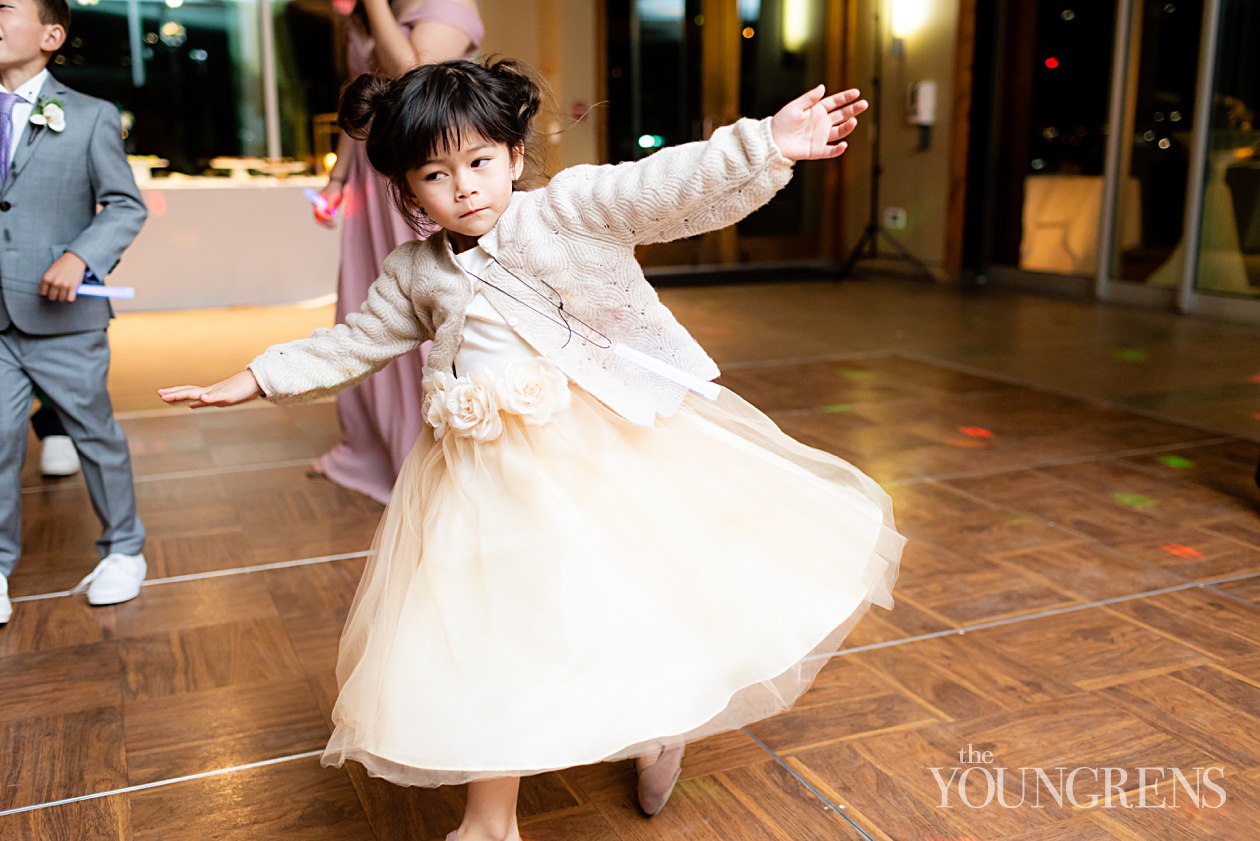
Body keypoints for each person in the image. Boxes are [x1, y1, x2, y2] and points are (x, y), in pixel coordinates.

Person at [160, 58, 903, 841]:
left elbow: (666, 184)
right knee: (491, 628)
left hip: (599, 445)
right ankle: (490, 822)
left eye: (481, 162)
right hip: (478, 474)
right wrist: (255, 376)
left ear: (514, 155)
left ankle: (657, 721)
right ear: (410, 193)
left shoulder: (569, 210)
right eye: (437, 176)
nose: (466, 187)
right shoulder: (415, 271)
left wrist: (769, 145)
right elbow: (354, 342)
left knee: (626, 594)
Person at [0, 0, 149, 626]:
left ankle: (125, 550)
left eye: (5, 8)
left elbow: (123, 205)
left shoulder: (88, 116)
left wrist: (79, 257)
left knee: (95, 435)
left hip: (63, 318)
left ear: (51, 34)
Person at [313, 0, 483, 504]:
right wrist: (338, 179)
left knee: (431, 307)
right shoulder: (362, 19)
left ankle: (438, 455)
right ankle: (383, 450)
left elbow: (412, 78)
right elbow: (362, 107)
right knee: (368, 309)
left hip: (423, 173)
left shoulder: (447, 6)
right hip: (373, 180)